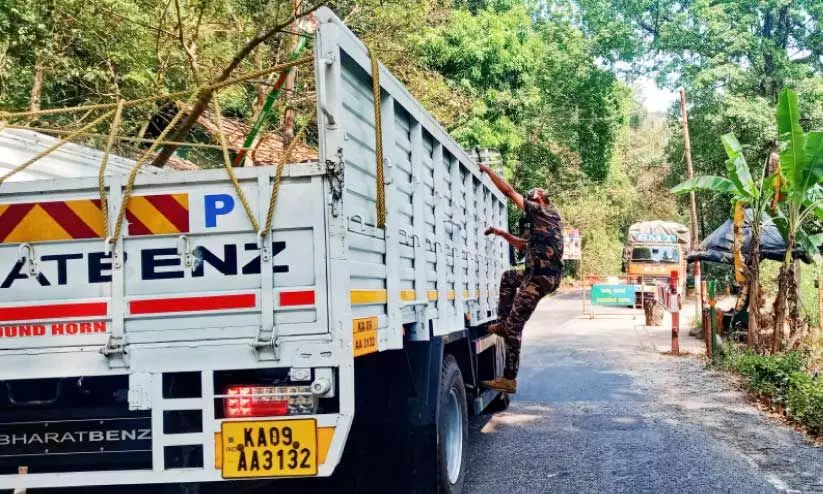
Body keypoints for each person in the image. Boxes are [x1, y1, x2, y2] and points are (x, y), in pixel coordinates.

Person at [478, 164, 564, 393]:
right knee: (508, 277)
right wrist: (502, 234)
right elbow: (524, 245)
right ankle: (502, 322)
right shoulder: (546, 223)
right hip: (537, 276)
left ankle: (509, 379)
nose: (528, 204)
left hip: (540, 279)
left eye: (532, 199)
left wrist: (488, 171)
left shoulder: (543, 212)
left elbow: (508, 192)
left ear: (541, 199)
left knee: (513, 329)